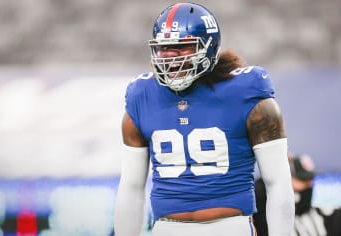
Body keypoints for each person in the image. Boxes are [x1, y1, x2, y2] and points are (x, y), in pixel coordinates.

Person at [113, 2, 294, 236]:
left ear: (208, 48)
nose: (171, 58)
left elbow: (278, 183)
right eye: (164, 49)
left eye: (182, 48)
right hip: (166, 228)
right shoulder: (142, 97)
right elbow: (131, 187)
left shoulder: (246, 94)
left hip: (229, 226)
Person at [254, 154, 341, 236]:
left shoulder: (320, 216)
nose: (309, 185)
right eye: (302, 180)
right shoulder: (262, 215)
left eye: (310, 180)